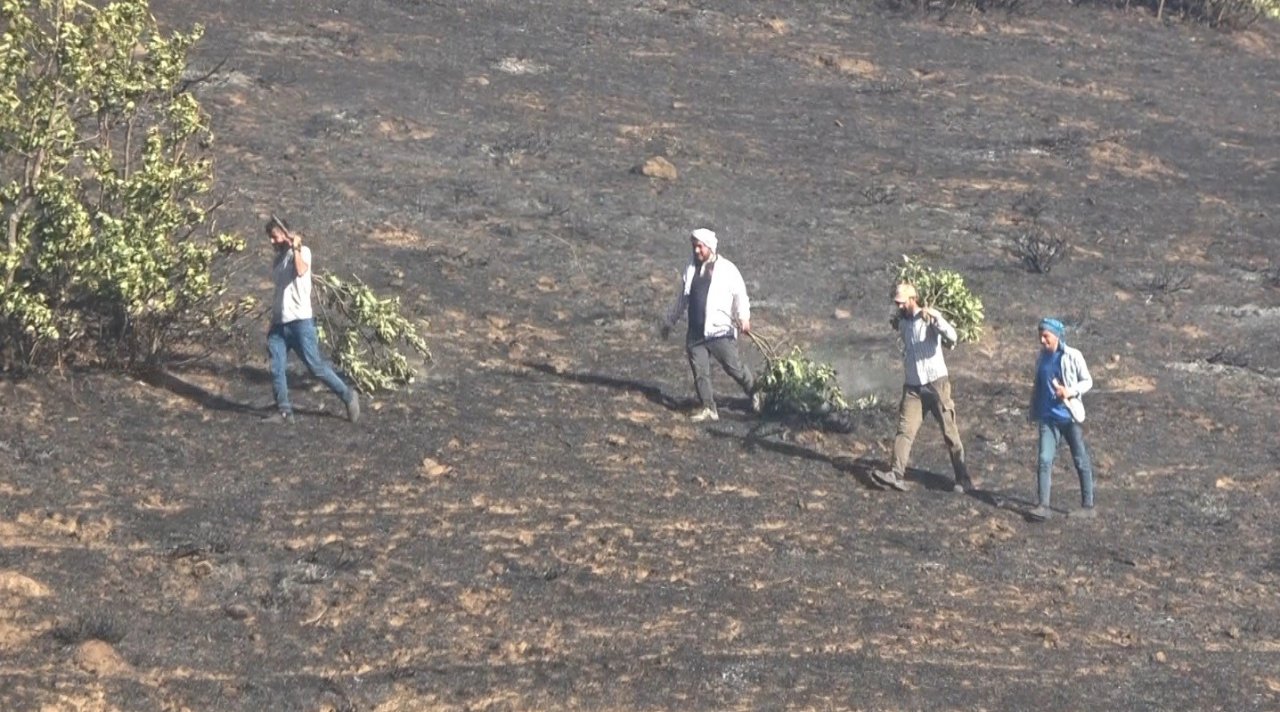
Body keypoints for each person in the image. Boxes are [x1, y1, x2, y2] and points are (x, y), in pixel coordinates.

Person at [872, 283, 973, 492]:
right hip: (912, 388)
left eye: (901, 303)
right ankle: (895, 473)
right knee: (904, 431)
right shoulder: (902, 323)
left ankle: (963, 478)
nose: (898, 306)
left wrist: (936, 317)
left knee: (949, 432)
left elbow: (952, 337)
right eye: (896, 303)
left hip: (936, 384)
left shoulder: (928, 319)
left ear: (912, 299)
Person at [264, 217, 360, 424]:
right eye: (269, 238)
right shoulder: (277, 261)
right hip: (279, 325)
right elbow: (280, 292)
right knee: (277, 367)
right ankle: (284, 411)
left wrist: (296, 246)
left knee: (315, 366)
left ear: (285, 233)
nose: (271, 242)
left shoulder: (303, 252)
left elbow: (300, 271)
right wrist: (272, 322)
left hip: (300, 323)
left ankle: (348, 395)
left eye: (274, 237)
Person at [661, 228, 760, 422]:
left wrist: (744, 317)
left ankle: (756, 393)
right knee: (700, 373)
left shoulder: (728, 270)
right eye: (694, 246)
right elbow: (682, 298)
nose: (696, 251)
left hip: (719, 332)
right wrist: (669, 321)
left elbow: (741, 295)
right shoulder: (690, 268)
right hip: (696, 334)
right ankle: (709, 408)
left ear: (710, 247)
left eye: (700, 247)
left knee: (734, 368)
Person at [1027, 318, 1096, 521]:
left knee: (1079, 458)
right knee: (1044, 459)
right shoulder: (1041, 357)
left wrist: (1069, 391)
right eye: (1040, 335)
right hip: (1048, 418)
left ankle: (1088, 505)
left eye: (1046, 335)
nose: (1042, 339)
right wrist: (1033, 410)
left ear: (1056, 336)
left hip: (1069, 417)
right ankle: (1043, 506)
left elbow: (1088, 381)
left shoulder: (1072, 355)